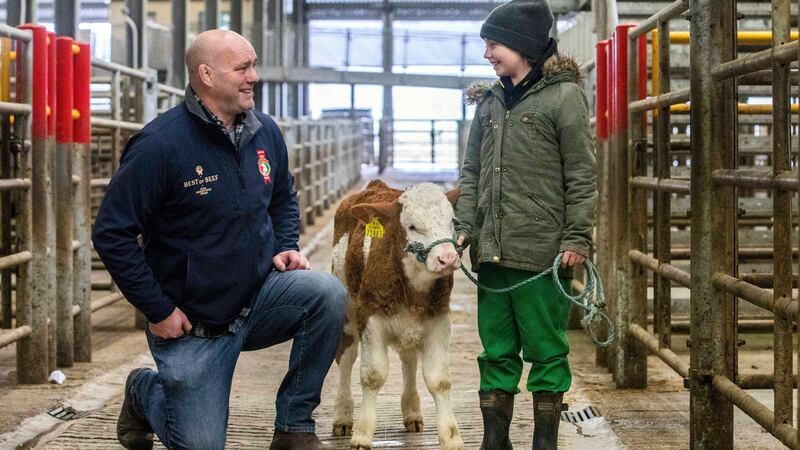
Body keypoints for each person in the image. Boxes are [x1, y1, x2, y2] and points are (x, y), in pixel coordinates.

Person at [93, 29, 347, 450]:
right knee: (199, 445)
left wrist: (287, 245)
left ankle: (294, 427)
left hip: (259, 298)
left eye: (254, 65)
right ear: (206, 75)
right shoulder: (160, 145)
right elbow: (111, 233)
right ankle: (144, 391)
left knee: (326, 294)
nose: (254, 77)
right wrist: (157, 309)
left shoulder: (264, 132)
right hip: (194, 324)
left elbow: (283, 197)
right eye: (243, 68)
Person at [453, 1, 597, 449]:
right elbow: (472, 172)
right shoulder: (490, 102)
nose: (487, 54)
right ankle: (495, 440)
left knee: (547, 350)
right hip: (492, 252)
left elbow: (581, 173)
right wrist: (464, 226)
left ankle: (545, 442)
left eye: (493, 44)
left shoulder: (564, 97)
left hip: (543, 254)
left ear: (523, 46)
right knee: (495, 350)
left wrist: (577, 236)